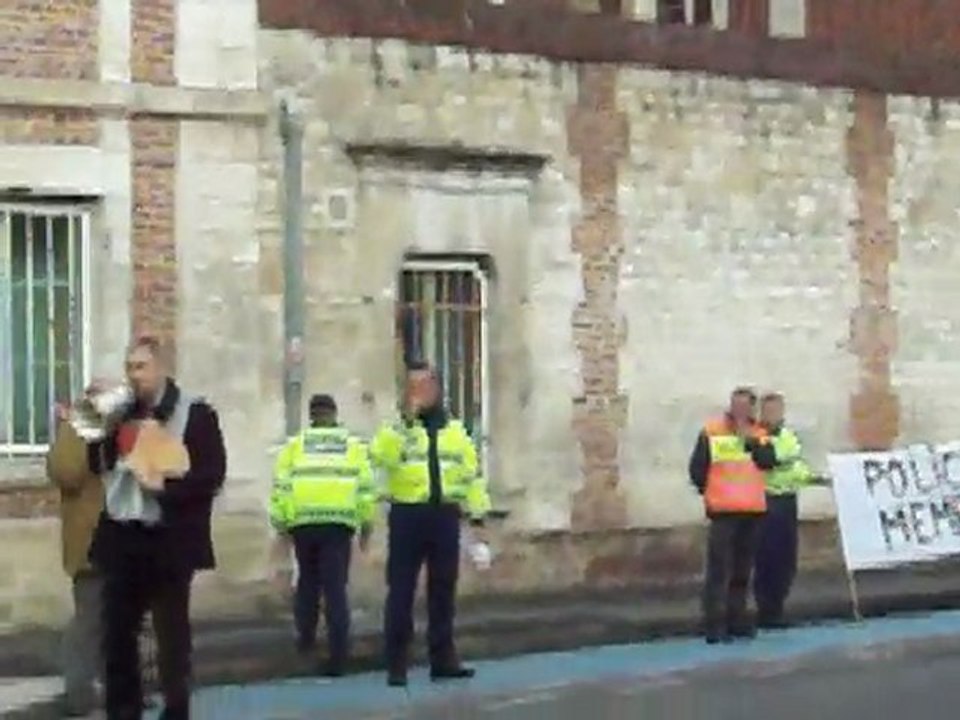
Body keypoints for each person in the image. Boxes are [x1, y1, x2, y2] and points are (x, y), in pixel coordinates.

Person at [86, 336, 227, 720]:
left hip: (168, 539)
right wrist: (95, 421)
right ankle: (123, 709)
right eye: (129, 368)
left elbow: (211, 476)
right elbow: (97, 465)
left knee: (171, 636)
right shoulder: (119, 414)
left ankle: (176, 708)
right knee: (116, 632)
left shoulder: (195, 414)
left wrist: (166, 488)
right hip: (121, 534)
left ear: (161, 368)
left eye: (142, 367)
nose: (134, 377)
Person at [370, 362, 491, 687]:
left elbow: (471, 477)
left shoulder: (455, 432)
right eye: (413, 387)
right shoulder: (395, 430)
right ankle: (396, 663)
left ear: (437, 390)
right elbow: (381, 457)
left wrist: (478, 519)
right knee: (401, 590)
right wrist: (407, 421)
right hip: (408, 514)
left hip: (444, 515)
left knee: (443, 589)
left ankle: (443, 658)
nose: (419, 393)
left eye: (425, 386)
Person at [269, 393, 376, 676]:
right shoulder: (352, 446)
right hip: (338, 525)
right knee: (335, 588)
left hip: (304, 524)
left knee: (307, 584)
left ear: (312, 415)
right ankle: (338, 653)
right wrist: (366, 525)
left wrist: (281, 525)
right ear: (334, 414)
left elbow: (281, 487)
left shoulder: (295, 446)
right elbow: (366, 489)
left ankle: (306, 641)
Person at [688, 386, 776, 645]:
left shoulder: (760, 433)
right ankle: (715, 625)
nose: (739, 410)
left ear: (752, 408)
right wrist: (711, 493)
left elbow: (768, 462)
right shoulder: (712, 431)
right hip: (723, 511)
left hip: (752, 510)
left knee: (742, 570)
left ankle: (738, 621)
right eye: (735, 405)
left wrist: (750, 440)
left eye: (744, 406)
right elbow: (697, 469)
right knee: (719, 571)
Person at [47, 403, 105, 717]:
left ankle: (122, 686)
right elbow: (65, 472)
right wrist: (75, 430)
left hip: (128, 540)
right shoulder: (76, 432)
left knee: (125, 620)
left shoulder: (124, 427)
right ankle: (79, 691)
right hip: (90, 546)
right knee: (89, 619)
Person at [753, 392, 816, 630]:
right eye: (769, 411)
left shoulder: (789, 436)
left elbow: (796, 465)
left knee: (786, 558)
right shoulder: (757, 436)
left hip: (788, 500)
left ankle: (777, 606)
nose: (774, 415)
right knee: (766, 557)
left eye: (777, 411)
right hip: (766, 500)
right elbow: (767, 461)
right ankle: (765, 610)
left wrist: (818, 479)